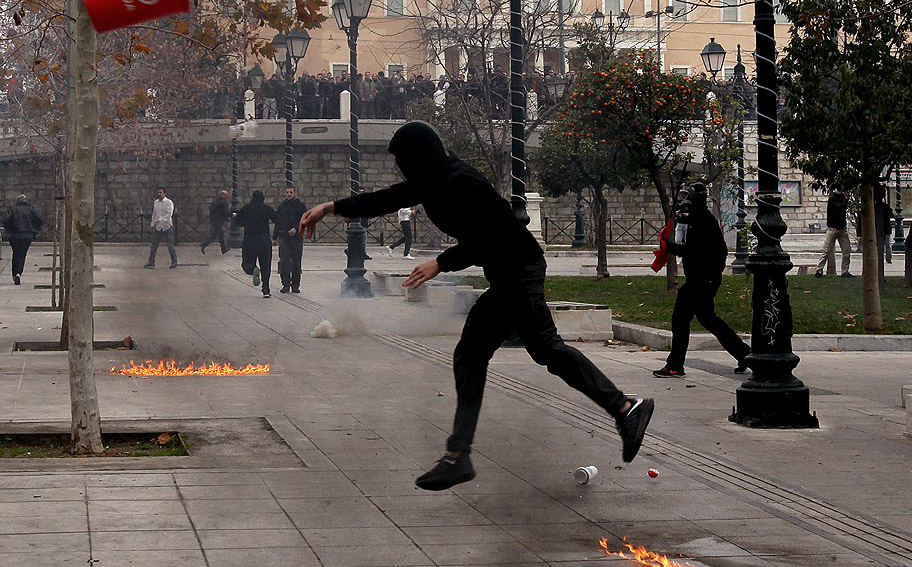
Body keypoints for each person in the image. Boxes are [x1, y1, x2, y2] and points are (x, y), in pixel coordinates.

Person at [298, 121, 654, 490]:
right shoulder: (431, 181)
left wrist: (441, 262)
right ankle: (459, 455)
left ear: (419, 156)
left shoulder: (460, 181)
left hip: (519, 269)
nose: (402, 168)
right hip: (507, 275)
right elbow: (385, 199)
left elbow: (494, 234)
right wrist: (330, 207)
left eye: (404, 159)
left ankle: (625, 409)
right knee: (480, 355)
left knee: (537, 349)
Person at [650, 183, 751, 378]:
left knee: (680, 319)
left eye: (687, 195)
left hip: (702, 279)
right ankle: (744, 354)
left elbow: (694, 249)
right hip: (700, 278)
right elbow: (685, 244)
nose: (683, 199)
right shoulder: (692, 218)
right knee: (708, 319)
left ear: (696, 197)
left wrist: (669, 247)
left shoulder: (704, 220)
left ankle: (675, 366)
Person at [231, 190, 281, 298]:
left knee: (247, 263)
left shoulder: (247, 208)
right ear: (263, 198)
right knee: (266, 266)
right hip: (264, 240)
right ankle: (266, 290)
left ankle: (253, 269)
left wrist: (245, 223)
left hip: (250, 240)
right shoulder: (266, 208)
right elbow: (278, 220)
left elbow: (236, 222)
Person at [3, 194, 44, 285]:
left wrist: (10, 230)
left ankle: (15, 274)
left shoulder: (12, 209)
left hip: (15, 235)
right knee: (22, 254)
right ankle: (19, 273)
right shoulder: (31, 209)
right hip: (27, 236)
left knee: (16, 254)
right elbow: (40, 220)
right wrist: (34, 229)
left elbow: (6, 221)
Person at [275, 186, 308, 293]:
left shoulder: (300, 206)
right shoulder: (281, 207)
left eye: (291, 192)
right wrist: (275, 237)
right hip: (284, 237)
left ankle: (295, 285)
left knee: (296, 262)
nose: (289, 194)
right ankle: (285, 284)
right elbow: (277, 222)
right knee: (284, 261)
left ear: (295, 193)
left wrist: (297, 229)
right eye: (287, 192)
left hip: (297, 238)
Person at [814, 190, 853, 278]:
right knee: (826, 250)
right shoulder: (833, 200)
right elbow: (839, 208)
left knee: (846, 250)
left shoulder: (841, 199)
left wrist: (845, 200)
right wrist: (846, 200)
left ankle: (845, 271)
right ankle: (819, 270)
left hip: (842, 229)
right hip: (832, 229)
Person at [144, 188, 177, 269]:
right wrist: (153, 223)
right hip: (158, 227)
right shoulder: (156, 202)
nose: (159, 194)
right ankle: (151, 262)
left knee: (170, 245)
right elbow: (154, 213)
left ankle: (174, 261)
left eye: (161, 192)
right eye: (158, 192)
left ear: (165, 193)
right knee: (154, 245)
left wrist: (161, 219)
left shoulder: (169, 202)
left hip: (166, 226)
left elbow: (169, 214)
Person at [200, 190, 232, 255]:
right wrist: (232, 214)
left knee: (217, 235)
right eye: (226, 195)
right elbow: (225, 212)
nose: (227, 196)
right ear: (223, 195)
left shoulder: (215, 202)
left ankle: (223, 249)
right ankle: (204, 244)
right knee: (217, 235)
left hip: (214, 220)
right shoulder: (223, 202)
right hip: (219, 221)